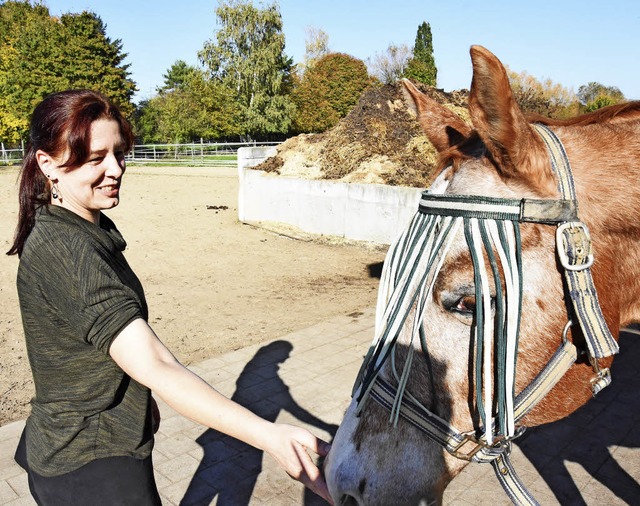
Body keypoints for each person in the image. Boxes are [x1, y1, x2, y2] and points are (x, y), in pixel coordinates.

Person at [7, 89, 333, 505]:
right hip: (92, 465)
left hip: (86, 443)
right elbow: (156, 363)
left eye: (119, 153)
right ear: (47, 165)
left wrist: (139, 403)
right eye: (95, 158)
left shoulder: (76, 227)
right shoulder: (67, 250)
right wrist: (270, 435)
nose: (116, 169)